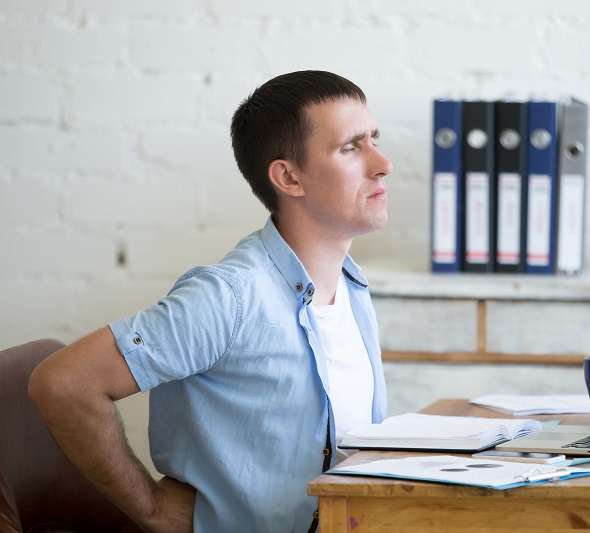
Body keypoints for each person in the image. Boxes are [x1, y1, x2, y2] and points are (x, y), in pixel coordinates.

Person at [28, 70, 392, 532]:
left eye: (374, 139)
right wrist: (152, 510)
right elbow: (63, 383)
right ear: (288, 177)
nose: (383, 164)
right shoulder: (230, 296)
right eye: (350, 147)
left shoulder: (350, 285)